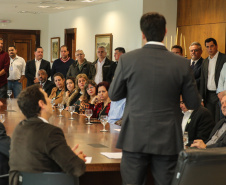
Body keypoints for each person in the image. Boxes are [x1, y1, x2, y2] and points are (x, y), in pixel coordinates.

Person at [108, 12, 200, 185]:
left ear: (142, 34)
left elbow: (114, 94)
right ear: (165, 31)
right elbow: (193, 103)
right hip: (167, 139)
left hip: (134, 136)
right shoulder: (181, 63)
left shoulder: (127, 60)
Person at [9, 84, 86, 185]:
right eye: (47, 97)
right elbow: (76, 168)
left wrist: (66, 155)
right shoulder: (51, 132)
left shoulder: (19, 128)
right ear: (41, 103)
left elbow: (39, 160)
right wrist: (77, 159)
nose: (50, 100)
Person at [200, 38, 226, 123]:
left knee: (219, 119)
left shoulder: (224, 58)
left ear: (216, 46)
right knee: (209, 119)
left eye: (211, 46)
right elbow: (202, 81)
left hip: (220, 94)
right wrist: (201, 98)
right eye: (207, 47)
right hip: (208, 95)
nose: (210, 49)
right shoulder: (205, 61)